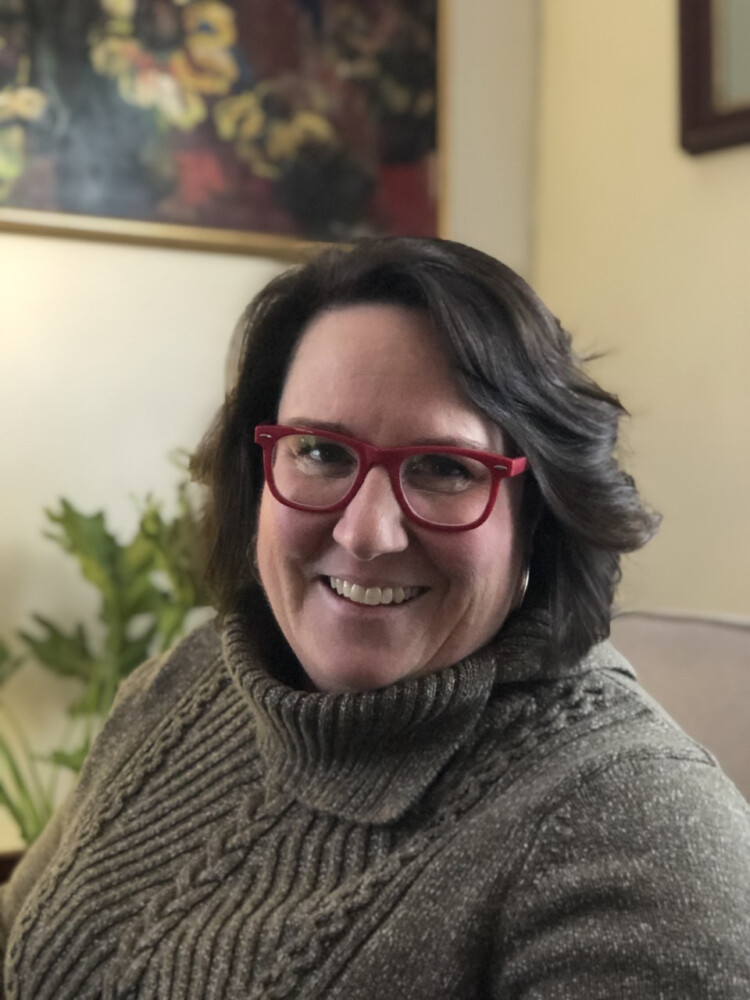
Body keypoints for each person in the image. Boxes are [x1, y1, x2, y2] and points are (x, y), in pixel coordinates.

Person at [2, 237, 749, 999]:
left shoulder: (640, 830)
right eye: (321, 451)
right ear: (258, 472)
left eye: (445, 468)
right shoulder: (184, 684)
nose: (366, 533)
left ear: (541, 514)